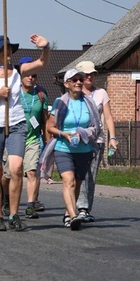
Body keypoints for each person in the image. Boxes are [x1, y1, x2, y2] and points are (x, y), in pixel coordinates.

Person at [0, 34, 50, 232]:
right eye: (2, 50)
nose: (6, 53)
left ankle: (14, 214)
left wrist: (45, 47)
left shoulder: (18, 71)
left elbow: (42, 63)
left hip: (16, 123)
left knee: (16, 168)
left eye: (8, 49)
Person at [42, 69, 101, 230]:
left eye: (80, 79)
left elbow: (96, 127)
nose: (78, 82)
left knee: (77, 182)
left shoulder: (89, 102)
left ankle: (68, 213)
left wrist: (85, 133)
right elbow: (50, 127)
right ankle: (73, 215)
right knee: (68, 181)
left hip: (84, 150)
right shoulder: (60, 102)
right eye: (74, 80)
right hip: (63, 148)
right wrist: (64, 134)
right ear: (67, 84)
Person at [2, 56, 49, 219]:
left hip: (33, 139)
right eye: (27, 74)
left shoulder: (41, 94)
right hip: (14, 138)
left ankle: (30, 205)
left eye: (34, 75)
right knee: (8, 174)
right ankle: (6, 199)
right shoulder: (13, 92)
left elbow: (45, 120)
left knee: (31, 172)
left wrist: (46, 140)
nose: (31, 77)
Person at [75, 60, 118, 221]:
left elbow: (107, 117)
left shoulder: (101, 93)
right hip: (78, 140)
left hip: (96, 141)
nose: (89, 77)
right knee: (78, 174)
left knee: (90, 175)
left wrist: (112, 138)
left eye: (92, 74)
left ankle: (84, 208)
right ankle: (74, 206)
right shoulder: (74, 93)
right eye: (86, 74)